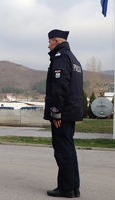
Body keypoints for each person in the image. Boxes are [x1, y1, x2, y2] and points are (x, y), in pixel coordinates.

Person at [44, 29, 83, 198]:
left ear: (57, 42)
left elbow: (59, 88)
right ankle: (73, 187)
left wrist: (56, 113)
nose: (48, 45)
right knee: (69, 149)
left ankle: (66, 188)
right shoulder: (73, 59)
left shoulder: (60, 58)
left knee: (62, 150)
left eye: (50, 42)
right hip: (71, 111)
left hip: (63, 112)